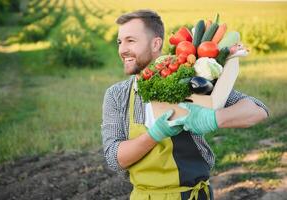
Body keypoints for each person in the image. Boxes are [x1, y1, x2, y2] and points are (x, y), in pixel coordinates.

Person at [101, 9, 269, 200]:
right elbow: (115, 158)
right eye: (120, 42)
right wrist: (155, 134)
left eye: (131, 41)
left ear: (155, 43)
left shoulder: (190, 79)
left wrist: (212, 119)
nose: (122, 50)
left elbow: (258, 110)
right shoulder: (117, 95)